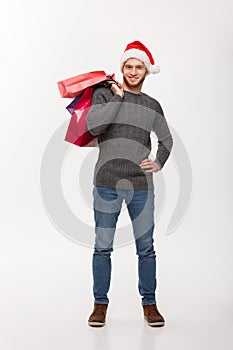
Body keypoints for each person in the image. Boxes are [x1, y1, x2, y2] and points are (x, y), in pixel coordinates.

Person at [86, 40, 173, 327]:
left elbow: (166, 139)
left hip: (141, 186)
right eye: (128, 66)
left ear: (146, 71)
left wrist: (158, 162)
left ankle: (150, 304)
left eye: (139, 67)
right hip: (106, 183)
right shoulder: (104, 94)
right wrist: (117, 97)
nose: (133, 71)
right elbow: (94, 127)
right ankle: (100, 305)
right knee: (102, 246)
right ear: (121, 68)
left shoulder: (152, 105)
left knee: (146, 247)